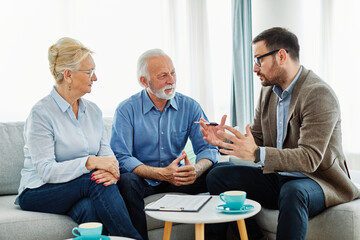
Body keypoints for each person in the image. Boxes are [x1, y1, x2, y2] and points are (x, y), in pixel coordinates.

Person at [200, 27, 360, 240]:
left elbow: (310, 158)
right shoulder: (268, 91)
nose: (255, 69)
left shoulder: (318, 94)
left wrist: (258, 155)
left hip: (318, 181)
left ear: (281, 56)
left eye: (259, 60)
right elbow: (256, 137)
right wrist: (225, 140)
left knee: (293, 192)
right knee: (218, 175)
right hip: (280, 176)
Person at [15, 37, 142, 239]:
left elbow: (108, 158)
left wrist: (112, 172)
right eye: (89, 71)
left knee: (90, 210)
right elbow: (46, 171)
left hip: (79, 188)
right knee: (94, 180)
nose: (95, 77)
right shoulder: (41, 113)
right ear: (68, 75)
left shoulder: (93, 112)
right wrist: (90, 162)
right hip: (38, 190)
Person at [110, 48, 230, 240]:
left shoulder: (190, 106)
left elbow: (207, 148)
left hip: (179, 178)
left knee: (224, 172)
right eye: (163, 76)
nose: (172, 80)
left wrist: (197, 170)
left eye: (173, 73)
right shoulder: (126, 110)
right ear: (144, 81)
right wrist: (160, 173)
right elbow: (121, 157)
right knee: (127, 181)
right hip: (144, 179)